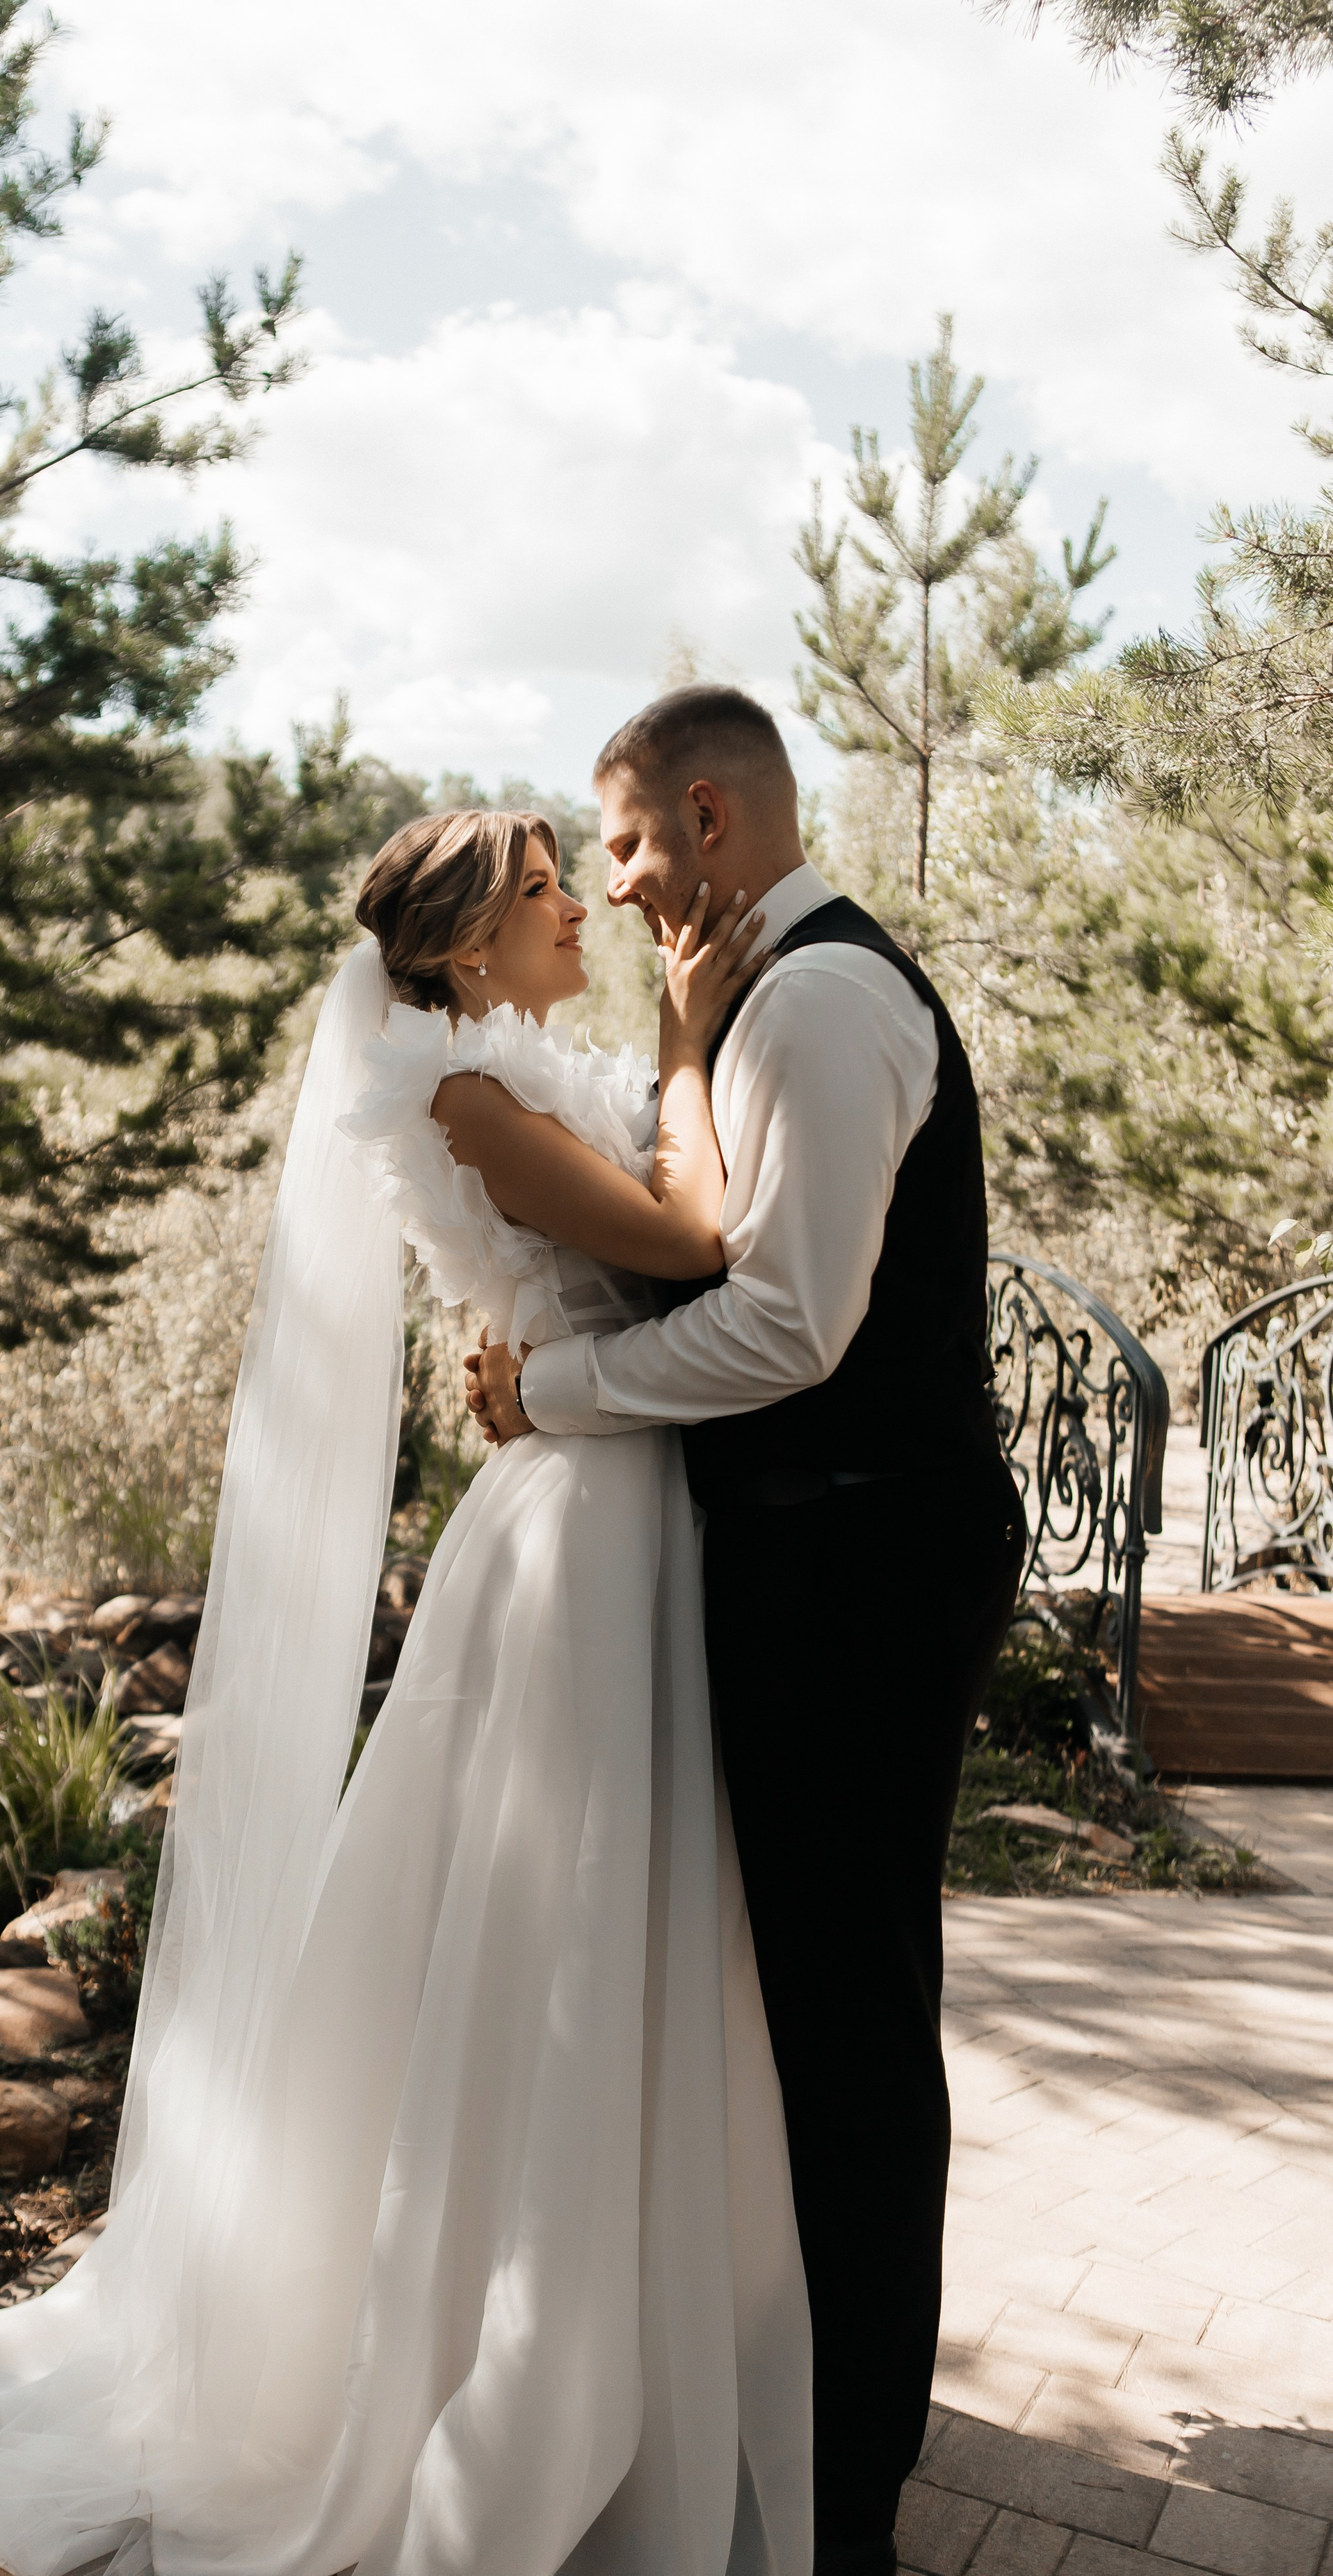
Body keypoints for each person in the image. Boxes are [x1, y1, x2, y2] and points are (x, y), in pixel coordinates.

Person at [0, 807, 814, 2576]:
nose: (579, 915)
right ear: (466, 949)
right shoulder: (464, 1099)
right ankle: (498, 2357)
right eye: (549, 895)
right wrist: (700, 1044)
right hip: (575, 1535)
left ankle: (622, 2326)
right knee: (545, 1934)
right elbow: (688, 1251)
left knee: (612, 1931)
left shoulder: (524, 1063)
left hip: (622, 1504)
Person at [468, 688, 1027, 2576]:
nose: (614, 883)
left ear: (709, 820)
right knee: (795, 2016)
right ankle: (782, 2417)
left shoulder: (828, 1003)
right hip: (806, 1554)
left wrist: (552, 1395)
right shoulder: (746, 1002)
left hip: (865, 1566)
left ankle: (850, 2495)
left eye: (622, 843)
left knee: (853, 2033)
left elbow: (795, 1327)